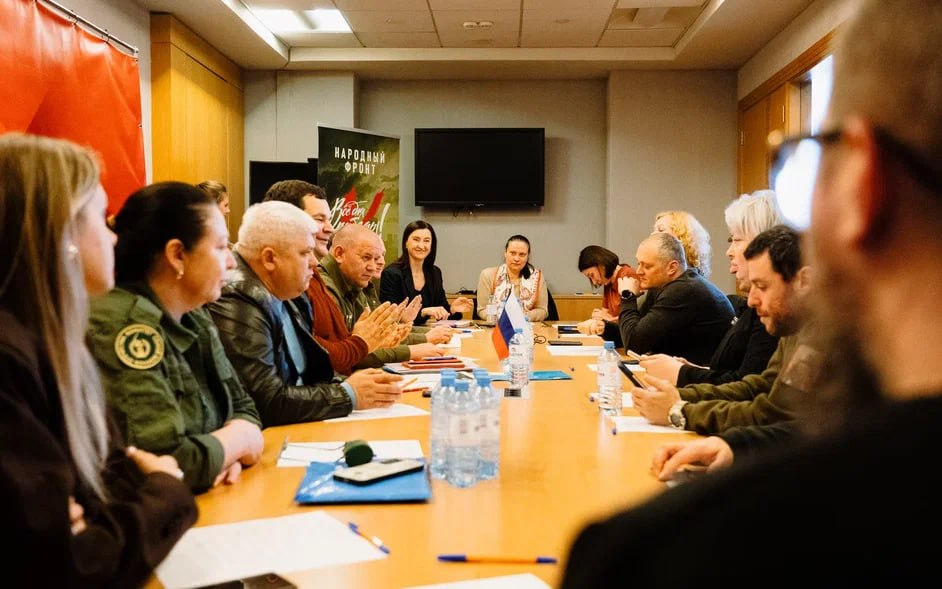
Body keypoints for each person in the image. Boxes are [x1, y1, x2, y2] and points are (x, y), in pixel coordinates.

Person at [564, 4, 942, 581]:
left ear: (864, 183)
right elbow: (771, 399)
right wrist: (737, 445)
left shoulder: (665, 555)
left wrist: (684, 407)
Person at [0, 133, 196, 586]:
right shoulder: (10, 362)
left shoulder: (58, 342)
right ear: (62, 232)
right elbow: (74, 563)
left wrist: (101, 514)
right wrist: (166, 489)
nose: (113, 237)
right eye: (102, 219)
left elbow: (112, 483)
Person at [88, 182, 264, 493]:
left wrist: (222, 453)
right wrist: (239, 441)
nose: (231, 261)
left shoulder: (193, 313)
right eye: (220, 247)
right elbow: (166, 462)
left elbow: (244, 406)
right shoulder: (125, 328)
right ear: (178, 255)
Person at [208, 201, 404, 426]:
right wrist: (348, 394)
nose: (314, 262)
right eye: (305, 253)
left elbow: (311, 371)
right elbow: (267, 401)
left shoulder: (290, 292)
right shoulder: (238, 298)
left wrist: (356, 385)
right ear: (270, 258)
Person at [631, 225, 814, 434]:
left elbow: (769, 413)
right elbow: (757, 387)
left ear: (804, 281)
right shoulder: (792, 329)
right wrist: (679, 397)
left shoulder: (821, 337)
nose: (752, 301)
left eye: (762, 287)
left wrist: (679, 411)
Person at [262, 180, 419, 374]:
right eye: (319, 219)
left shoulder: (316, 279)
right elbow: (313, 361)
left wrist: (374, 342)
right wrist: (351, 384)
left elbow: (339, 350)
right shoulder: (272, 288)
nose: (330, 228)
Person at [640, 191, 783, 386]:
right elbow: (735, 373)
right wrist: (694, 370)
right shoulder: (753, 307)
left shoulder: (771, 310)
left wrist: (683, 374)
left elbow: (749, 388)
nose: (729, 252)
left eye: (736, 240)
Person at [319, 224, 444, 367]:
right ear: (339, 254)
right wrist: (411, 349)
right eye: (366, 257)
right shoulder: (323, 288)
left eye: (379, 257)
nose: (375, 265)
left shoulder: (355, 283)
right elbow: (343, 355)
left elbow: (375, 338)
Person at [615, 232, 733, 364]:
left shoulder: (684, 290)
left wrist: (627, 296)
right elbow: (639, 330)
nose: (638, 271)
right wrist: (606, 328)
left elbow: (634, 345)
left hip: (701, 372)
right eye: (639, 264)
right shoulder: (665, 286)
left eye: (647, 266)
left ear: (672, 267)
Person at [380, 220, 474, 324]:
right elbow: (391, 315)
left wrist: (452, 309)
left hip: (426, 331)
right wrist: (423, 312)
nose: (421, 245)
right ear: (406, 243)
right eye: (416, 240)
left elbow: (441, 307)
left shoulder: (435, 273)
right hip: (400, 332)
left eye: (426, 241)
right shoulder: (392, 274)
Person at [476, 235, 549, 322]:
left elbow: (542, 310)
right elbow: (482, 309)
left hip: (526, 326)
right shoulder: (488, 275)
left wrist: (524, 317)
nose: (516, 259)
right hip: (497, 326)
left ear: (528, 257)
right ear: (505, 253)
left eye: (522, 254)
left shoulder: (537, 277)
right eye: (513, 253)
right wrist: (501, 319)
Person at [577, 245, 638, 322]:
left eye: (592, 275)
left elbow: (634, 319)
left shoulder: (628, 275)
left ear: (602, 265)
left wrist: (609, 319)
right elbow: (605, 312)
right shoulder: (608, 282)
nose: (594, 282)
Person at [653, 210, 712, 277]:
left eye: (661, 230)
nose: (653, 234)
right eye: (654, 230)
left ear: (681, 238)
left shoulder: (689, 281)